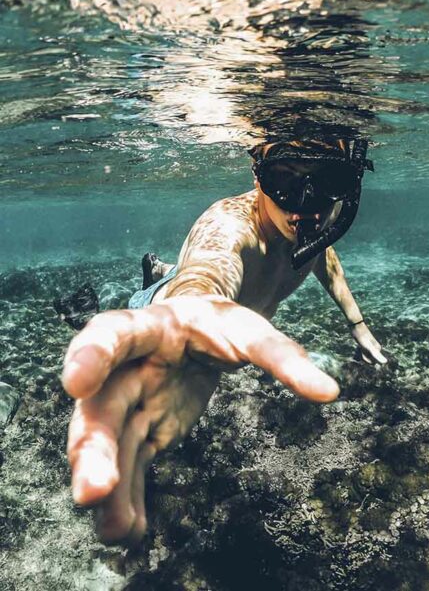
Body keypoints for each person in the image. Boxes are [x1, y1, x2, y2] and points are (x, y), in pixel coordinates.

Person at [62, 137, 386, 545]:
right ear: (257, 175)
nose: (306, 203)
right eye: (284, 179)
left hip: (221, 313)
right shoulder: (230, 225)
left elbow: (321, 254)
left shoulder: (310, 226)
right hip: (166, 310)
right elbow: (210, 267)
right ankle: (125, 294)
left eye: (330, 180)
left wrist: (357, 324)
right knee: (117, 318)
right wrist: (191, 305)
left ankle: (163, 270)